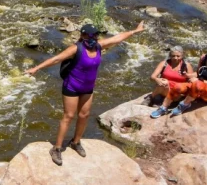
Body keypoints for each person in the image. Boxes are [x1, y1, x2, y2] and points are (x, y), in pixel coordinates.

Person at [25, 21, 146, 166]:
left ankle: (75, 142)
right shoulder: (76, 48)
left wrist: (136, 31)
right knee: (69, 116)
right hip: (72, 87)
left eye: (95, 35)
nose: (93, 37)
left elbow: (118, 37)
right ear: (82, 35)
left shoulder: (99, 46)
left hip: (88, 88)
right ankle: (56, 148)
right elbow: (56, 59)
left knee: (84, 115)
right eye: (89, 35)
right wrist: (36, 68)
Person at [151, 40, 207, 119]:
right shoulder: (204, 57)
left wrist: (201, 81)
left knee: (197, 84)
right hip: (198, 87)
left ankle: (185, 104)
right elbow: (198, 73)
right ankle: (163, 108)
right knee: (177, 86)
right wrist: (188, 75)